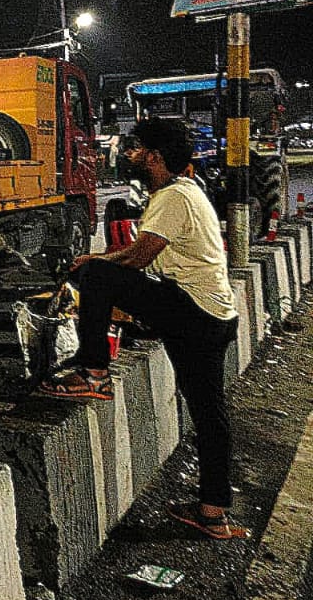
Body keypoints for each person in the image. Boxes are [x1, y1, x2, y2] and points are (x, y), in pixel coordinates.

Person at [45, 117, 247, 540]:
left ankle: (94, 373)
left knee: (97, 279)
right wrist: (100, 261)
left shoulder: (175, 196)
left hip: (195, 313)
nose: (129, 154)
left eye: (136, 149)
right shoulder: (182, 192)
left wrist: (96, 265)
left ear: (155, 157)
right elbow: (141, 250)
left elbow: (138, 258)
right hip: (213, 316)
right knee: (209, 414)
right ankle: (214, 512)